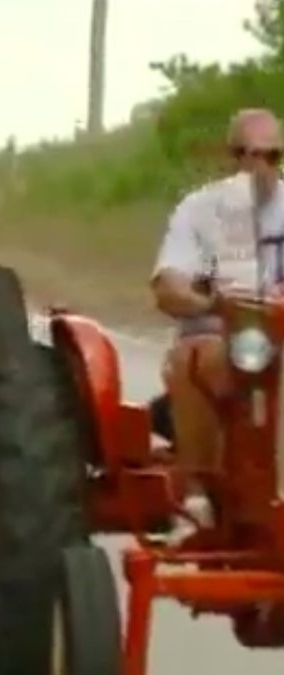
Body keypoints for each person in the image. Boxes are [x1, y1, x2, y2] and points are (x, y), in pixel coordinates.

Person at [151, 107, 284, 539]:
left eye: (273, 156)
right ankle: (197, 498)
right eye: (251, 154)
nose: (261, 166)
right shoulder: (199, 210)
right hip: (217, 331)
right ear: (232, 157)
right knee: (198, 358)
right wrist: (209, 303)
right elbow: (169, 286)